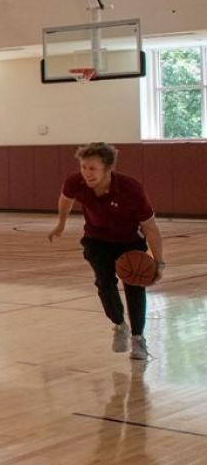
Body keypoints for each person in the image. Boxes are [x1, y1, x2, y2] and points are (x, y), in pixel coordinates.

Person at [47, 142, 164, 360]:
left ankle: (138, 338)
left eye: (93, 168)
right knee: (104, 282)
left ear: (108, 169)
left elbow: (150, 227)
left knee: (134, 284)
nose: (86, 173)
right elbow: (65, 200)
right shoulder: (76, 182)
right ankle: (120, 325)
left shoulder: (131, 189)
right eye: (83, 167)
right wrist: (61, 224)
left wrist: (159, 262)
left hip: (129, 241)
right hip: (96, 239)